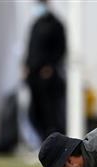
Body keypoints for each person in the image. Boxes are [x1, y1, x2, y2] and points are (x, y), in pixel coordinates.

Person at [24, 0, 66, 141]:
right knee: (34, 113)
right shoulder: (36, 23)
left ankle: (55, 144)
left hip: (48, 79)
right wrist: (26, 66)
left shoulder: (56, 24)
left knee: (51, 115)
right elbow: (30, 48)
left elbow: (60, 49)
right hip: (33, 77)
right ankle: (42, 144)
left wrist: (50, 67)